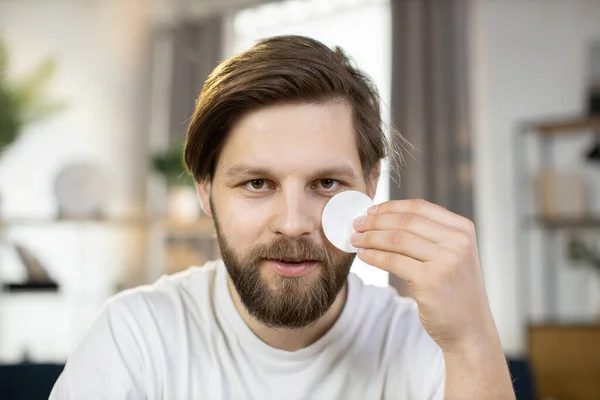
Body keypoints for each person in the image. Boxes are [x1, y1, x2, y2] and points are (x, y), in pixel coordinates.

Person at [50, 35, 514, 400]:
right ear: (206, 191)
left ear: (370, 187)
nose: (293, 223)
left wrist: (473, 342)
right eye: (257, 184)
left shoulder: (431, 345)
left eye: (326, 184)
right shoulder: (134, 337)